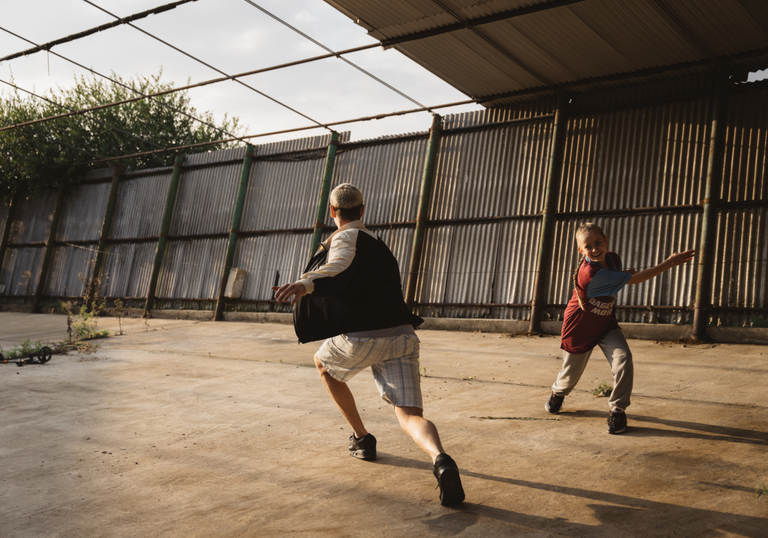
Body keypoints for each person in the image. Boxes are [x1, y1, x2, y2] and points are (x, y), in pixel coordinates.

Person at [272, 183, 465, 506]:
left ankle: (362, 438)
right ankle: (441, 459)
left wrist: (305, 284)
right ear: (363, 210)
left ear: (333, 212)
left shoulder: (346, 237)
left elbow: (339, 267)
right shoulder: (379, 244)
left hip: (364, 336)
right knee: (409, 416)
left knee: (323, 364)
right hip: (402, 335)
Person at [544, 222, 695, 434]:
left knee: (623, 358)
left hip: (605, 322)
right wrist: (670, 262)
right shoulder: (589, 273)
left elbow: (620, 277)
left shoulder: (613, 259)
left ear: (607, 241)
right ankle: (558, 393)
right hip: (580, 325)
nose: (595, 249)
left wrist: (621, 274)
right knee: (570, 374)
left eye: (598, 242)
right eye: (588, 246)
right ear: (581, 250)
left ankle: (617, 409)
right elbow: (636, 279)